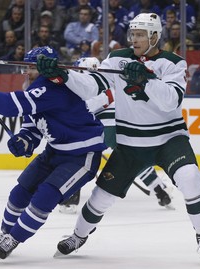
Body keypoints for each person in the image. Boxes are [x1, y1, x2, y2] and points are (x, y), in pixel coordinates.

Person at [37, 12, 200, 263]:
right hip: (130, 145)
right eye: (133, 33)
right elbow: (91, 85)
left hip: (169, 139)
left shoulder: (173, 63)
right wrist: (63, 76)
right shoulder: (117, 58)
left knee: (190, 178)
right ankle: (78, 236)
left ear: (155, 36)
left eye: (141, 34)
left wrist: (145, 80)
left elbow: (171, 102)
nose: (135, 39)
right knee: (101, 197)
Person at [0, 46, 106, 262]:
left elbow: (12, 106)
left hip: (81, 156)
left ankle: (14, 239)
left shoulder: (52, 87)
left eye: (31, 67)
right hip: (55, 152)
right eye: (25, 67)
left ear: (45, 67)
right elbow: (33, 128)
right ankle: (5, 234)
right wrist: (24, 141)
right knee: (20, 192)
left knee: (44, 197)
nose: (26, 72)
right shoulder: (34, 87)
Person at [59, 57, 173, 214]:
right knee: (134, 160)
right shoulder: (109, 83)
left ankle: (71, 200)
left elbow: (85, 110)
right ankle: (160, 191)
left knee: (78, 157)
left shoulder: (89, 87)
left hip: (106, 127)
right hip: (123, 125)